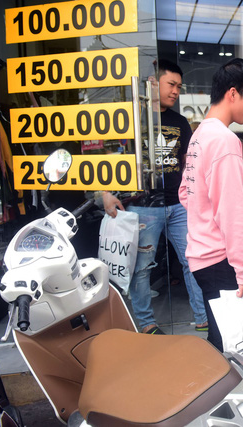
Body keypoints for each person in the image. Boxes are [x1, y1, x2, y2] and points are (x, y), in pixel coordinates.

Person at [103, 59, 207, 335]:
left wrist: (194, 196)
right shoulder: (132, 118)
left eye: (179, 87)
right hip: (142, 207)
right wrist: (105, 193)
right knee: (142, 268)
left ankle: (203, 316)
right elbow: (109, 160)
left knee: (193, 260)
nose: (176, 91)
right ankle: (147, 323)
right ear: (153, 83)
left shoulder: (181, 122)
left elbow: (189, 163)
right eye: (171, 84)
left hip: (178, 204)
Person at [178, 58, 243, 351]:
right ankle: (216, 397)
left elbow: (185, 193)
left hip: (202, 257)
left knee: (221, 340)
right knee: (233, 347)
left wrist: (203, 214)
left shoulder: (199, 134)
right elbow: (233, 212)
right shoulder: (226, 140)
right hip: (221, 259)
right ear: (232, 93)